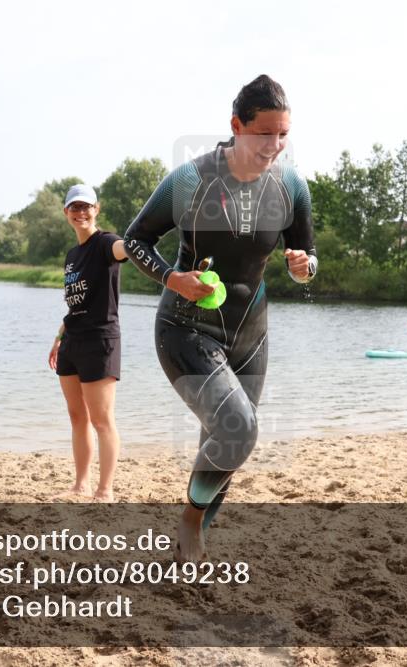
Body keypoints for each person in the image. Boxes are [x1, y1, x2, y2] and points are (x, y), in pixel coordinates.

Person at [123, 75, 317, 560]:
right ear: (236, 125)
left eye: (283, 134)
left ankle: (193, 537)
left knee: (228, 437)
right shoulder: (191, 179)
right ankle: (191, 523)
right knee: (239, 428)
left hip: (251, 335)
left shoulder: (291, 185)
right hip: (186, 326)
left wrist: (303, 267)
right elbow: (135, 240)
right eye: (264, 133)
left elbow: (307, 257)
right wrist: (173, 278)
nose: (274, 145)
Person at [48, 184, 128, 500]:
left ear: (97, 209)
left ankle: (105, 490)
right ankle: (80, 485)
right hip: (72, 340)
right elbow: (75, 305)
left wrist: (135, 245)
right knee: (77, 416)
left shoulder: (105, 243)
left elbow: (125, 249)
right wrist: (59, 337)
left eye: (86, 207)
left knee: (102, 420)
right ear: (66, 212)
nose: (80, 213)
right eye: (74, 207)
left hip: (100, 340)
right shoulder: (73, 255)